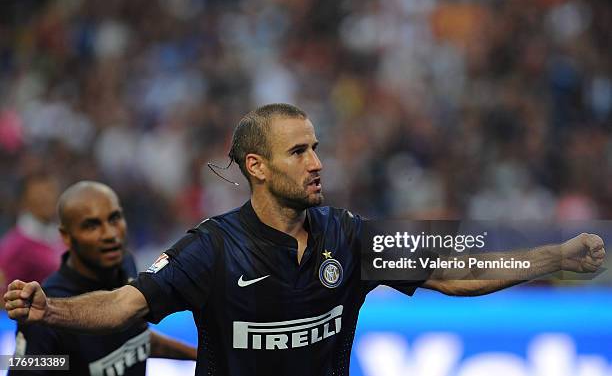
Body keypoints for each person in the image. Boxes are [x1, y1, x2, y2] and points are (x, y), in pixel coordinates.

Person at [4, 104, 606, 376]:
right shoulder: (208, 248)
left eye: (316, 147)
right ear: (257, 167)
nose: (317, 161)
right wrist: (49, 309)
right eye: (299, 151)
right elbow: (124, 306)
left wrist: (553, 255)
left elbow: (457, 270)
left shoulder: (351, 234)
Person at [8, 181, 196, 376]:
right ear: (66, 237)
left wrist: (198, 354)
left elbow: (134, 342)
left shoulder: (126, 264)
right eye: (92, 225)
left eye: (115, 219)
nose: (110, 234)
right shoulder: (45, 313)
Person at [0, 173, 64, 298]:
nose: (47, 199)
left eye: (50, 192)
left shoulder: (61, 237)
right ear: (25, 201)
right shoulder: (15, 245)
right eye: (40, 196)